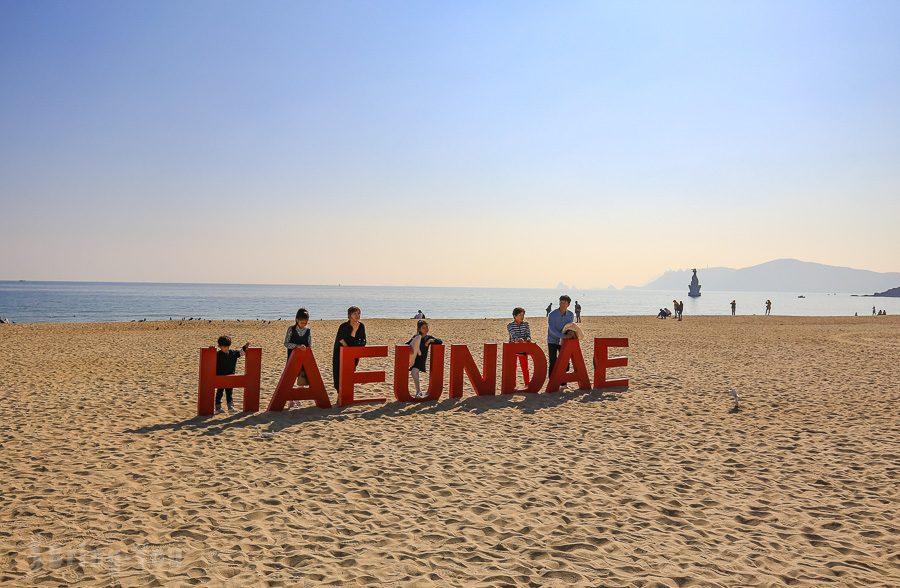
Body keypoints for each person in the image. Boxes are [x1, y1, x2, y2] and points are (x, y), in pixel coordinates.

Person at [333, 306, 367, 405]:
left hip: (354, 355)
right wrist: (353, 332)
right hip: (340, 354)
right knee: (339, 374)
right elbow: (342, 340)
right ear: (349, 315)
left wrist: (354, 343)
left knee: (349, 373)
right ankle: (339, 395)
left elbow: (363, 341)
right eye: (355, 313)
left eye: (359, 313)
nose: (357, 316)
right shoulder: (343, 326)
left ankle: (345, 396)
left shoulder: (361, 326)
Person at [284, 308, 312, 409]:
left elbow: (310, 346)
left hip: (303, 359)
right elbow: (286, 343)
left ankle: (297, 399)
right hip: (292, 358)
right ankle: (291, 401)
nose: (303, 325)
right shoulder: (291, 329)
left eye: (305, 323)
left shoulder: (308, 331)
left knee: (302, 380)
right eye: (301, 322)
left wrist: (306, 348)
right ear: (296, 320)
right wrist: (297, 346)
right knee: (290, 379)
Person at [407, 320, 442, 398]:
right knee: (414, 373)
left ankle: (418, 392)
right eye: (423, 328)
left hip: (421, 359)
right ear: (419, 329)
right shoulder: (415, 337)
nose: (426, 329)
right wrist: (410, 347)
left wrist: (430, 340)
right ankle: (419, 392)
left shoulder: (428, 337)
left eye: (427, 327)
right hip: (414, 358)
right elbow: (407, 344)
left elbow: (440, 341)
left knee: (414, 372)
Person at [215, 335, 249, 414]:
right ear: (219, 346)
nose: (226, 348)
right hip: (220, 377)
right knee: (219, 392)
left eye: (228, 346)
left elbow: (241, 353)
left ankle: (230, 407)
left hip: (231, 377)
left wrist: (245, 347)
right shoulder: (217, 355)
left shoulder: (233, 353)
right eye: (224, 346)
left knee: (229, 393)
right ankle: (218, 408)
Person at [547, 295, 575, 378]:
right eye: (561, 302)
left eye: (564, 303)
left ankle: (562, 380)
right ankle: (551, 380)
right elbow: (551, 328)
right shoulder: (552, 314)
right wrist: (563, 336)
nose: (562, 304)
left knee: (565, 361)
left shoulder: (570, 314)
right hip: (552, 340)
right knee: (553, 361)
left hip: (564, 341)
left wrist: (571, 333)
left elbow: (569, 327)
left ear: (568, 304)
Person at [507, 307, 533, 386]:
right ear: (515, 316)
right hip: (513, 348)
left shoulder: (526, 324)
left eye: (523, 314)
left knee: (525, 367)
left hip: (523, 348)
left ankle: (527, 384)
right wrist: (518, 339)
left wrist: (528, 339)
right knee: (513, 368)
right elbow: (513, 335)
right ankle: (513, 385)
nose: (522, 316)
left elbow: (528, 334)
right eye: (520, 315)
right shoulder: (510, 325)